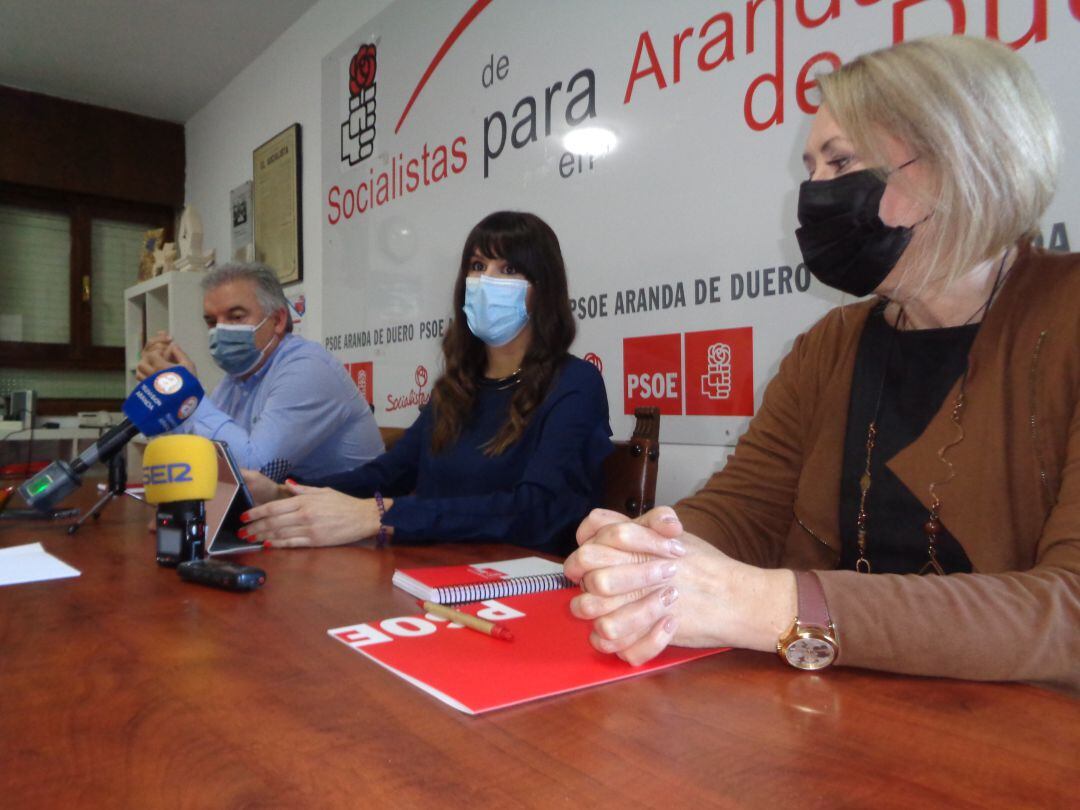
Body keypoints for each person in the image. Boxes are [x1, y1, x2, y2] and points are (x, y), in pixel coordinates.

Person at [565, 36, 1079, 692]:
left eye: (841, 163)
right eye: (811, 169)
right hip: (830, 726)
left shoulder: (1065, 318)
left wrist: (772, 607)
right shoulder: (829, 345)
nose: (813, 195)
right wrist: (650, 554)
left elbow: (1069, 614)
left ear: (960, 160)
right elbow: (745, 508)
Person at [240, 211, 612, 556]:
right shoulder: (457, 386)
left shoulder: (575, 384)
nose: (486, 281)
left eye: (509, 268)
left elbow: (540, 511)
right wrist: (285, 493)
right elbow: (389, 474)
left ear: (543, 288)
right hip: (432, 570)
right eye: (478, 266)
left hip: (522, 586)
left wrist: (380, 516)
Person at [136, 263, 383, 481]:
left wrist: (188, 395)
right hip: (289, 518)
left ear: (277, 320)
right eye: (211, 322)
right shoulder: (235, 380)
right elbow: (202, 457)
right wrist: (165, 395)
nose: (220, 330)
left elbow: (254, 472)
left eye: (236, 317)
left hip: (354, 522)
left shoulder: (307, 368)